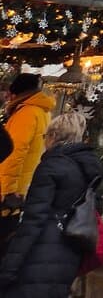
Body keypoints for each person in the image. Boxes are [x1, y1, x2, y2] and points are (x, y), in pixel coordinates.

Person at [0, 111, 103, 297]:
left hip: (38, 256)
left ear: (53, 136)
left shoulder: (51, 166)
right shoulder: (88, 170)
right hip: (69, 256)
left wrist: (8, 269)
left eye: (44, 136)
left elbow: (33, 222)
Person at [0, 73, 54, 256]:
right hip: (22, 189)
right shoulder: (42, 112)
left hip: (9, 195)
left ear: (17, 93)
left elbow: (13, 154)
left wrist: (6, 191)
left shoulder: (26, 113)